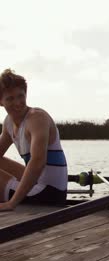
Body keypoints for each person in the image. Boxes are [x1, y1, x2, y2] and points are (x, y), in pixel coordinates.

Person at [0, 69, 67, 211]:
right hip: (37, 185)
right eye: (10, 99)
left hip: (50, 195)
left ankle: (11, 197)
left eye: (21, 96)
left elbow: (38, 162)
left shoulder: (37, 118)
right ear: (0, 102)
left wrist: (12, 203)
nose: (18, 103)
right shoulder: (8, 123)